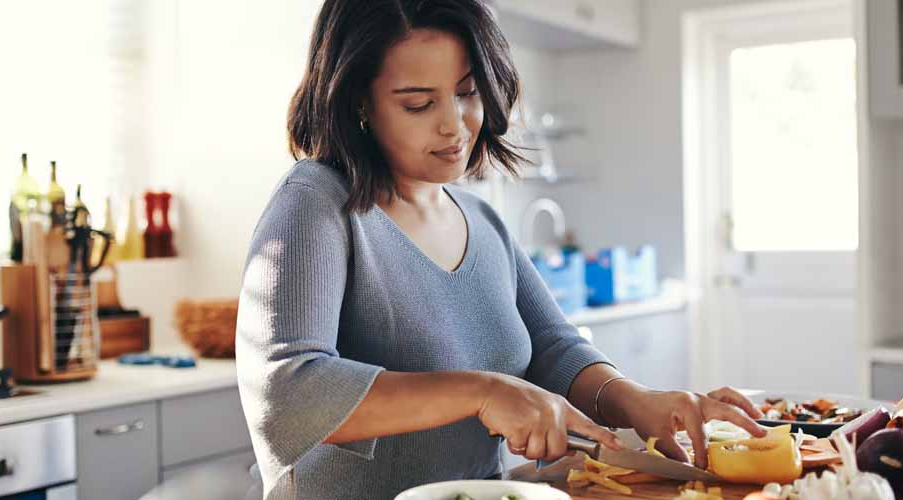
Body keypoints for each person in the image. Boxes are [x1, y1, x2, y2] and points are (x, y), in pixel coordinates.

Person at [236, 1, 766, 498]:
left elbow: (555, 350)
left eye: (467, 92)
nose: (455, 123)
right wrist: (482, 391)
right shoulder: (314, 202)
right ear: (357, 102)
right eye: (419, 103)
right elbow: (286, 392)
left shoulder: (481, 218)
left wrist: (636, 400)